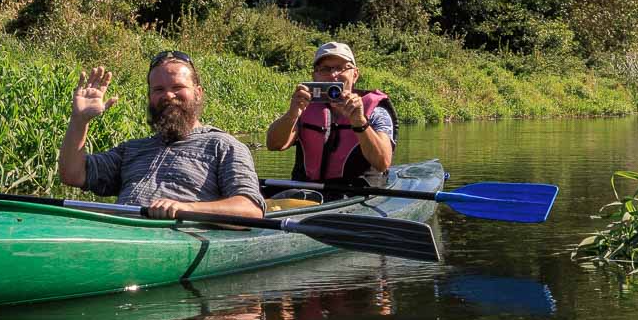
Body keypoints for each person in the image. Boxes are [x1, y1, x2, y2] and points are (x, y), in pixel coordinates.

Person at [58, 50, 265, 220]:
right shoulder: (131, 149)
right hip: (117, 231)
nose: (167, 95)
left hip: (175, 239)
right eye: (158, 89)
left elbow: (250, 210)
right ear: (150, 96)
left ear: (198, 93)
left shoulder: (223, 146)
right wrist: (79, 120)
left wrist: (188, 208)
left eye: (178, 87)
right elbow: (73, 174)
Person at [265, 41, 395, 186]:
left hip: (357, 195)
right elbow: (274, 144)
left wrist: (360, 122)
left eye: (341, 68)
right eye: (325, 69)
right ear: (314, 76)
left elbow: (383, 163)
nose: (333, 75)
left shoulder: (377, 111)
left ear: (355, 74)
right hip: (309, 193)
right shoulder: (305, 106)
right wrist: (292, 114)